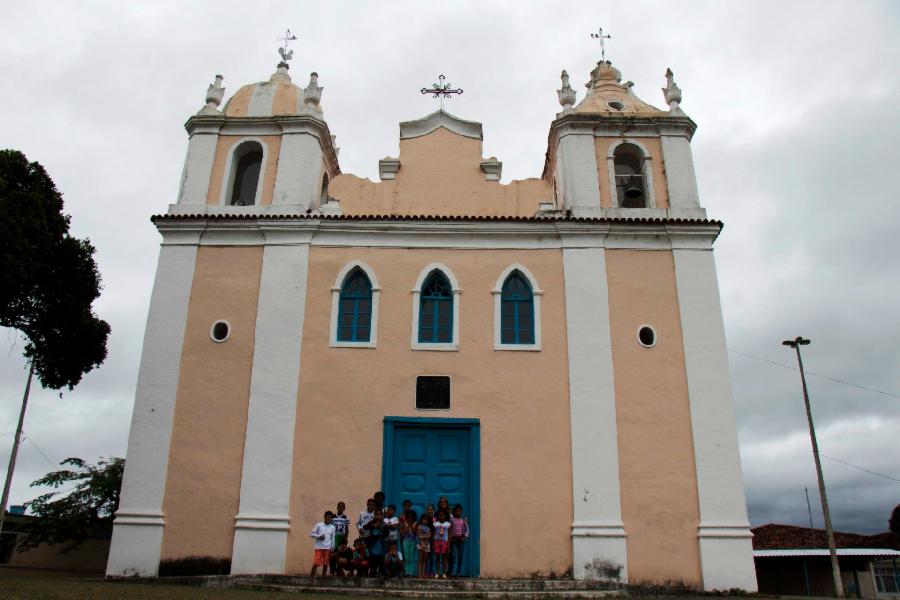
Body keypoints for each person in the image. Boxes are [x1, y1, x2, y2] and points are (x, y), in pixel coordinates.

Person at [309, 511, 336, 583]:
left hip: (327, 548)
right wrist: (319, 537)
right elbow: (311, 534)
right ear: (324, 517)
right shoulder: (319, 525)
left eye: (330, 517)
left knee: (325, 564)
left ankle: (323, 579)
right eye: (327, 517)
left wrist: (332, 549)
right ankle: (311, 578)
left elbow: (333, 538)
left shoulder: (333, 527)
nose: (329, 519)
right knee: (316, 563)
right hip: (319, 547)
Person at [449, 504, 470, 577]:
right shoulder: (452, 519)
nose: (458, 512)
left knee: (460, 556)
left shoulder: (463, 520)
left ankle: (458, 572)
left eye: (460, 511)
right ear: (454, 512)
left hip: (461, 540)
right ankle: (450, 571)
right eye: (457, 511)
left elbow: (467, 530)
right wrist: (451, 537)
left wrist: (464, 537)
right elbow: (450, 517)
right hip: (454, 540)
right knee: (453, 556)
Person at [364, 508, 386, 576]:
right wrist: (372, 525)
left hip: (380, 543)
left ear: (382, 516)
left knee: (380, 559)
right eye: (376, 514)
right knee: (373, 558)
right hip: (372, 543)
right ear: (374, 515)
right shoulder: (371, 522)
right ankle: (372, 572)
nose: (378, 516)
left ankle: (381, 572)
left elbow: (386, 533)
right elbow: (365, 527)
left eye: (380, 514)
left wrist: (380, 527)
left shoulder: (383, 523)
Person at [399, 509, 418, 577]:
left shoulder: (415, 523)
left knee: (411, 557)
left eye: (412, 517)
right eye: (409, 517)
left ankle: (411, 573)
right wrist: (405, 524)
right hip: (405, 541)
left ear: (414, 517)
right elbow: (403, 532)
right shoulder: (404, 523)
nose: (410, 518)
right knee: (406, 557)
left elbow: (414, 531)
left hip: (413, 541)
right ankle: (406, 572)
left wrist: (410, 527)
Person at [433, 508, 451, 578]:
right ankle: (437, 572)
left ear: (445, 516)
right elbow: (433, 534)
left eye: (443, 515)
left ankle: (444, 573)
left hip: (444, 542)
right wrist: (434, 544)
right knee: (437, 558)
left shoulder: (447, 524)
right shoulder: (435, 524)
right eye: (440, 515)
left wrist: (448, 545)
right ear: (438, 516)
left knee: (444, 558)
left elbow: (449, 535)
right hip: (437, 542)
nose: (441, 517)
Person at [416, 514, 432, 579]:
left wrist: (423, 536)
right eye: (423, 519)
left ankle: (423, 574)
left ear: (428, 521)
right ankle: (419, 574)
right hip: (420, 544)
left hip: (427, 544)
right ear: (421, 520)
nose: (424, 521)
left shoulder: (428, 528)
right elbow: (419, 536)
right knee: (420, 559)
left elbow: (429, 536)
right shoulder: (419, 526)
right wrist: (422, 543)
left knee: (424, 559)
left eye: (426, 520)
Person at [424, 504, 436, 576]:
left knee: (431, 557)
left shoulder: (435, 519)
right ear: (426, 511)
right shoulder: (424, 519)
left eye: (431, 509)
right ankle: (425, 571)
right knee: (425, 557)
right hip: (425, 540)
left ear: (434, 511)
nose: (430, 511)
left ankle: (431, 572)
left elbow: (436, 530)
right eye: (428, 509)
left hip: (432, 540)